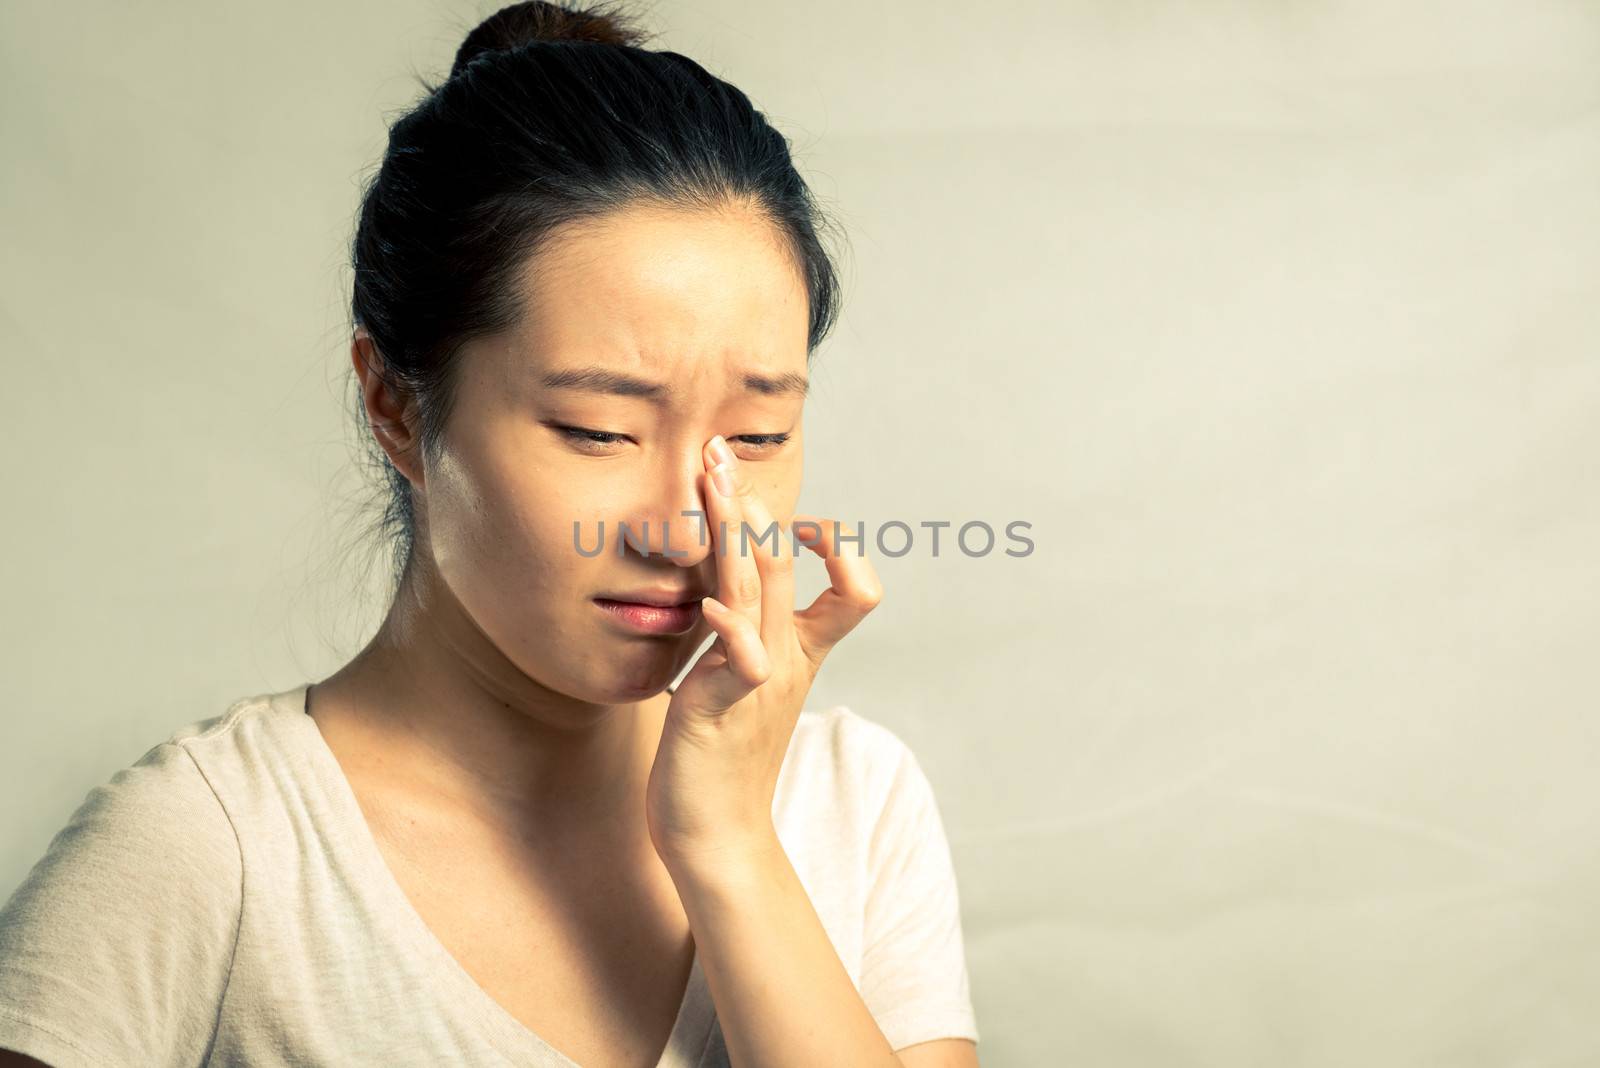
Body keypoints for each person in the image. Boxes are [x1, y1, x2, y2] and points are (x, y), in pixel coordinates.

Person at [0, 3, 981, 1065]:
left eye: (756, 434)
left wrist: (733, 850)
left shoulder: (850, 804)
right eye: (597, 429)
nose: (683, 526)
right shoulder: (208, 855)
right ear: (395, 407)